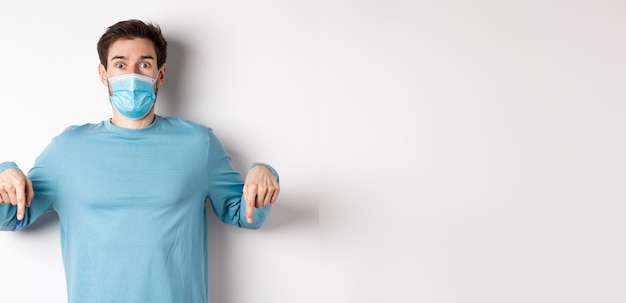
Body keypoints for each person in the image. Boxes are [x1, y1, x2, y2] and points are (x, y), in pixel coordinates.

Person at [0, 19, 280, 303]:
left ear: (160, 75)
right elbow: (10, 218)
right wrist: (3, 174)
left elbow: (245, 215)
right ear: (103, 73)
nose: (132, 74)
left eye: (144, 65)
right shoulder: (67, 149)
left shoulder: (198, 143)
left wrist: (263, 173)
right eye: (120, 65)